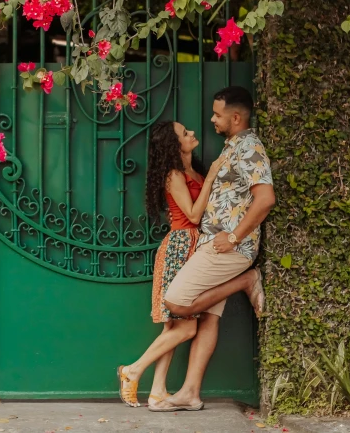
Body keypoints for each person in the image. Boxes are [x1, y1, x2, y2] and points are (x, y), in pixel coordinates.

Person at [117, 86, 273, 410]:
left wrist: (232, 237)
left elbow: (263, 199)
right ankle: (181, 390)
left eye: (217, 114)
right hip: (194, 243)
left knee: (180, 309)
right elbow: (194, 211)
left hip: (218, 245)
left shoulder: (245, 149)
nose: (208, 122)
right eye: (185, 132)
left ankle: (141, 374)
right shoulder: (217, 154)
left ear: (235, 116)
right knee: (194, 321)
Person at [119, 120, 226, 409]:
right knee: (186, 328)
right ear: (173, 145)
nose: (192, 133)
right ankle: (132, 370)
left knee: (173, 326)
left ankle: (157, 392)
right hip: (180, 247)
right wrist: (213, 176)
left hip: (195, 246)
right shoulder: (174, 175)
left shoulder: (193, 171)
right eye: (185, 133)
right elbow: (192, 215)